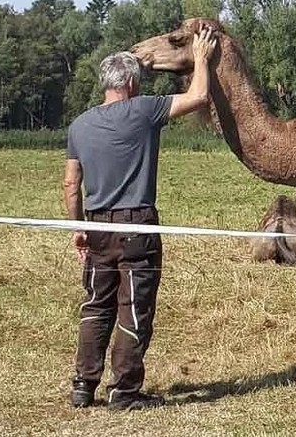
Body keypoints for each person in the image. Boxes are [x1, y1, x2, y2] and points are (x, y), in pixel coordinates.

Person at [63, 26, 216, 410]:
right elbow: (199, 96)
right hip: (136, 227)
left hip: (97, 226)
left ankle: (84, 385)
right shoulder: (145, 109)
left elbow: (70, 184)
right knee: (134, 308)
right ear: (131, 82)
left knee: (96, 305)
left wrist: (79, 227)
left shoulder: (79, 126)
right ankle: (125, 392)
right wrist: (200, 57)